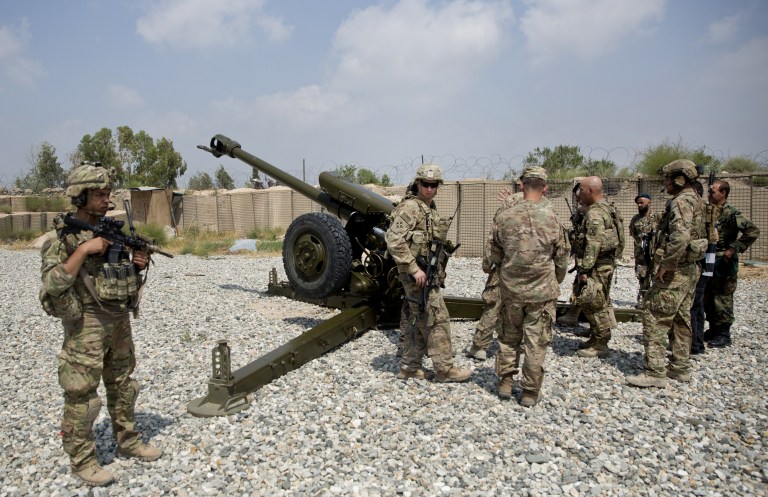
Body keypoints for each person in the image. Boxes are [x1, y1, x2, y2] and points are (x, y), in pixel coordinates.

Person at [40, 162, 162, 486]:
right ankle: (82, 461)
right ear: (80, 196)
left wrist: (137, 266)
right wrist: (83, 250)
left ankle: (128, 441)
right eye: (99, 193)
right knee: (82, 396)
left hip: (118, 319)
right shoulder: (63, 239)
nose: (107, 198)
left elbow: (117, 277)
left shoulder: (110, 231)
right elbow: (52, 283)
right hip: (86, 325)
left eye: (108, 192)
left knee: (123, 385)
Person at [488, 166, 569, 406]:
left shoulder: (504, 217)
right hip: (542, 292)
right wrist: (555, 280)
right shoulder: (553, 219)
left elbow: (493, 256)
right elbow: (562, 258)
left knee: (508, 337)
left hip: (511, 290)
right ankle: (530, 392)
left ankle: (505, 382)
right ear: (545, 188)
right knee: (536, 342)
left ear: (521, 185)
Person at [385, 164, 471, 383]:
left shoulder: (429, 208)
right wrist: (413, 268)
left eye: (434, 185)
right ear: (418, 183)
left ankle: (409, 367)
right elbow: (393, 239)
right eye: (425, 184)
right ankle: (445, 369)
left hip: (426, 272)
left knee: (418, 318)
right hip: (415, 274)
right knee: (437, 318)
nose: (429, 189)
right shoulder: (411, 208)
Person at [627, 159, 707, 388]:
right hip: (691, 267)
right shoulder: (697, 199)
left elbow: (680, 236)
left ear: (679, 179)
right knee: (681, 318)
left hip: (677, 271)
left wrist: (668, 263)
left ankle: (655, 372)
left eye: (667, 179)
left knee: (655, 316)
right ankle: (680, 367)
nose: (665, 183)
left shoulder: (681, 201)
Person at [464, 186, 551, 361]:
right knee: (528, 305)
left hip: (506, 264)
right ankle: (522, 345)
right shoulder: (546, 205)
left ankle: (480, 345)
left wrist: (488, 264)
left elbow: (493, 237)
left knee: (494, 304)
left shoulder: (510, 202)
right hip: (535, 267)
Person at [703, 179, 760, 348]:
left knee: (723, 296)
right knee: (708, 295)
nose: (709, 194)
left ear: (723, 193)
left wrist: (734, 248)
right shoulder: (708, 210)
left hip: (724, 260)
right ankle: (713, 329)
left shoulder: (731, 213)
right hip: (709, 257)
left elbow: (752, 231)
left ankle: (724, 334)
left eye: (713, 191)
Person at [572, 177, 624, 358]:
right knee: (599, 301)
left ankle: (601, 344)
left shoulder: (594, 214)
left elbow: (593, 245)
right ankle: (595, 338)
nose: (579, 193)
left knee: (595, 304)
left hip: (596, 266)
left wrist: (585, 270)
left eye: (581, 190)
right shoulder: (608, 209)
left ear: (591, 191)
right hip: (605, 263)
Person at [557, 180, 585, 327]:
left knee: (582, 286)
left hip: (590, 258)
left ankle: (574, 315)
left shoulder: (592, 212)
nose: (578, 196)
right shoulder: (585, 211)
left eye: (580, 193)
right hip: (587, 257)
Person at [629, 193, 660, 307]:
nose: (639, 205)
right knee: (642, 277)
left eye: (642, 202)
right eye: (638, 203)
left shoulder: (658, 217)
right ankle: (644, 300)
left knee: (656, 276)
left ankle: (656, 301)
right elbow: (633, 233)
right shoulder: (635, 219)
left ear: (649, 202)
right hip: (641, 254)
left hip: (655, 254)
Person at [689, 180, 709, 355]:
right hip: (700, 262)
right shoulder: (701, 210)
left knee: (694, 306)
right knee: (696, 305)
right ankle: (696, 343)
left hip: (700, 263)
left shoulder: (703, 211)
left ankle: (695, 345)